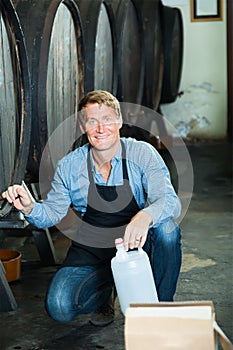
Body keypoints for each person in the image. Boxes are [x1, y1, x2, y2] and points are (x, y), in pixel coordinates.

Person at [2, 90, 182, 326]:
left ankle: (161, 310)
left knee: (167, 231)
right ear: (82, 126)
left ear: (118, 121)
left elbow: (170, 201)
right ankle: (105, 290)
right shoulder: (70, 165)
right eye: (92, 121)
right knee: (59, 306)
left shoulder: (141, 153)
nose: (100, 129)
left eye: (107, 119)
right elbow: (52, 214)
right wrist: (30, 207)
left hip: (136, 246)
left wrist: (144, 216)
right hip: (92, 250)